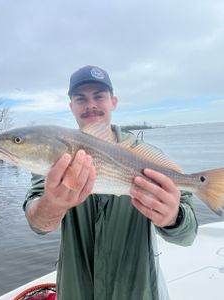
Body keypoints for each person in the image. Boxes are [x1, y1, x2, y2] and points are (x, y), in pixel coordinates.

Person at [24, 65, 198, 300]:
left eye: (99, 96)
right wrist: (52, 204)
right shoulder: (51, 162)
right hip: (76, 291)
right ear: (71, 106)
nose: (90, 105)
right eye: (81, 98)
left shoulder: (144, 154)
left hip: (137, 290)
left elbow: (187, 236)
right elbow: (38, 224)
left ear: (113, 102)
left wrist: (172, 218)